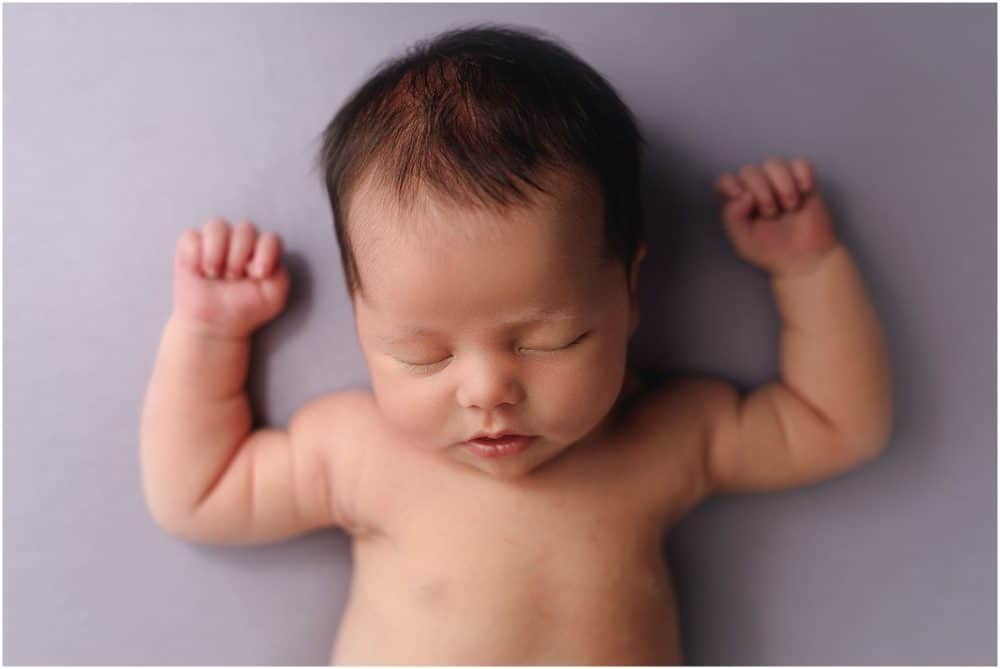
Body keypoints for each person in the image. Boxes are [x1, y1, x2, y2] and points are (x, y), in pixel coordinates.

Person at [139, 23, 893, 664]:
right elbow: (197, 494)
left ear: (630, 295)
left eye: (548, 339)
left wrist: (809, 269)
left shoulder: (662, 438)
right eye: (423, 353)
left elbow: (838, 425)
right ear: (360, 318)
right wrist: (208, 333)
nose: (486, 391)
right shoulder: (357, 451)